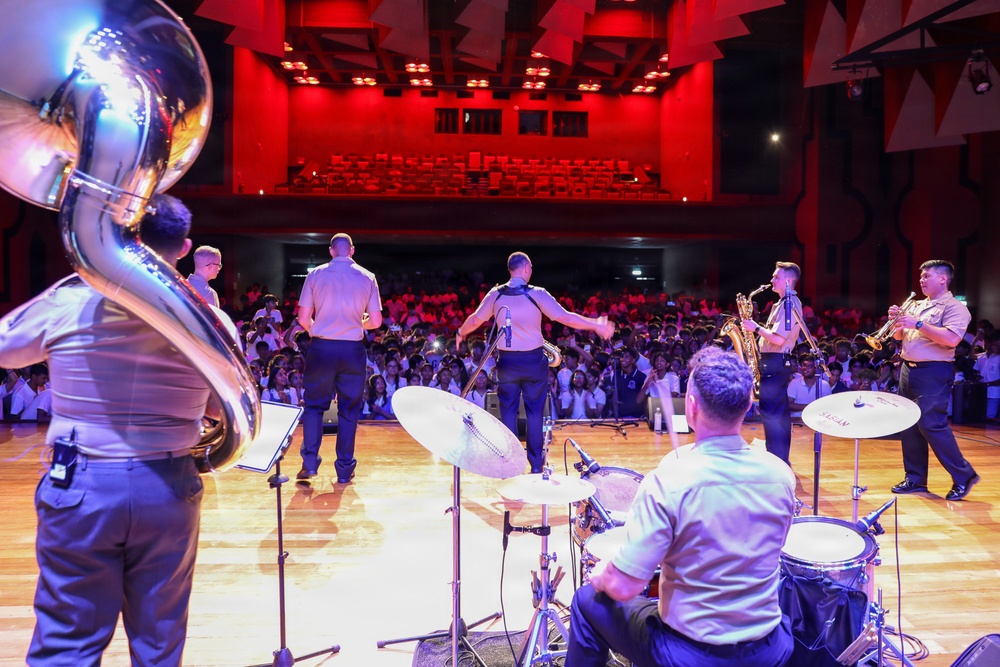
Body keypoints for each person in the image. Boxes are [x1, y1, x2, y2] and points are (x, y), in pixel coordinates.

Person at [0, 194, 217, 665]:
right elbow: (224, 409)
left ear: (118, 237)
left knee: (67, 645)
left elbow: (5, 347)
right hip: (169, 485)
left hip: (82, 483)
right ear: (184, 249)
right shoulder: (209, 320)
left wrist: (71, 283)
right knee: (159, 645)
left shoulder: (69, 300)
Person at [566, 347, 796, 667]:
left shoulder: (667, 481)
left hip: (689, 654)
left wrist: (602, 576)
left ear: (691, 406)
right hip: (768, 649)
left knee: (586, 600)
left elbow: (624, 586)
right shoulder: (781, 476)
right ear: (748, 405)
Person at [456, 252, 613, 473]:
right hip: (533, 361)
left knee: (508, 412)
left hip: (507, 362)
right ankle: (536, 465)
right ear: (526, 268)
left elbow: (474, 319)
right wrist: (595, 324)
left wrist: (460, 332)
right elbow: (566, 317)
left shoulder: (495, 294)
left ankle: (510, 464)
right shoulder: (538, 294)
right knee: (534, 413)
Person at [296, 233, 382, 485]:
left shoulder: (315, 274)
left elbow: (303, 318)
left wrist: (317, 330)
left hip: (322, 347)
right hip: (352, 349)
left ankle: (309, 464)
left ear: (331, 250)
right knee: (349, 408)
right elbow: (376, 321)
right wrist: (359, 323)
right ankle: (344, 469)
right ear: (352, 251)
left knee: (314, 406)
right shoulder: (367, 277)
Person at [890, 260, 979, 500]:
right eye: (921, 276)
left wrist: (918, 323)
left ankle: (964, 475)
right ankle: (915, 479)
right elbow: (899, 336)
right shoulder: (916, 305)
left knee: (931, 424)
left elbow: (951, 339)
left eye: (927, 276)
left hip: (934, 371)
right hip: (908, 368)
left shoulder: (955, 308)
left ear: (943, 278)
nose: (921, 280)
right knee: (909, 423)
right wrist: (897, 321)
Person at [742, 261, 803, 465]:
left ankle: (778, 461)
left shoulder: (789, 304)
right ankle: (778, 459)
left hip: (776, 363)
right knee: (773, 414)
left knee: (773, 415)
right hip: (773, 362)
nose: (772, 280)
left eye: (776, 277)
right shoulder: (782, 303)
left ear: (787, 281)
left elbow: (778, 339)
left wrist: (755, 328)